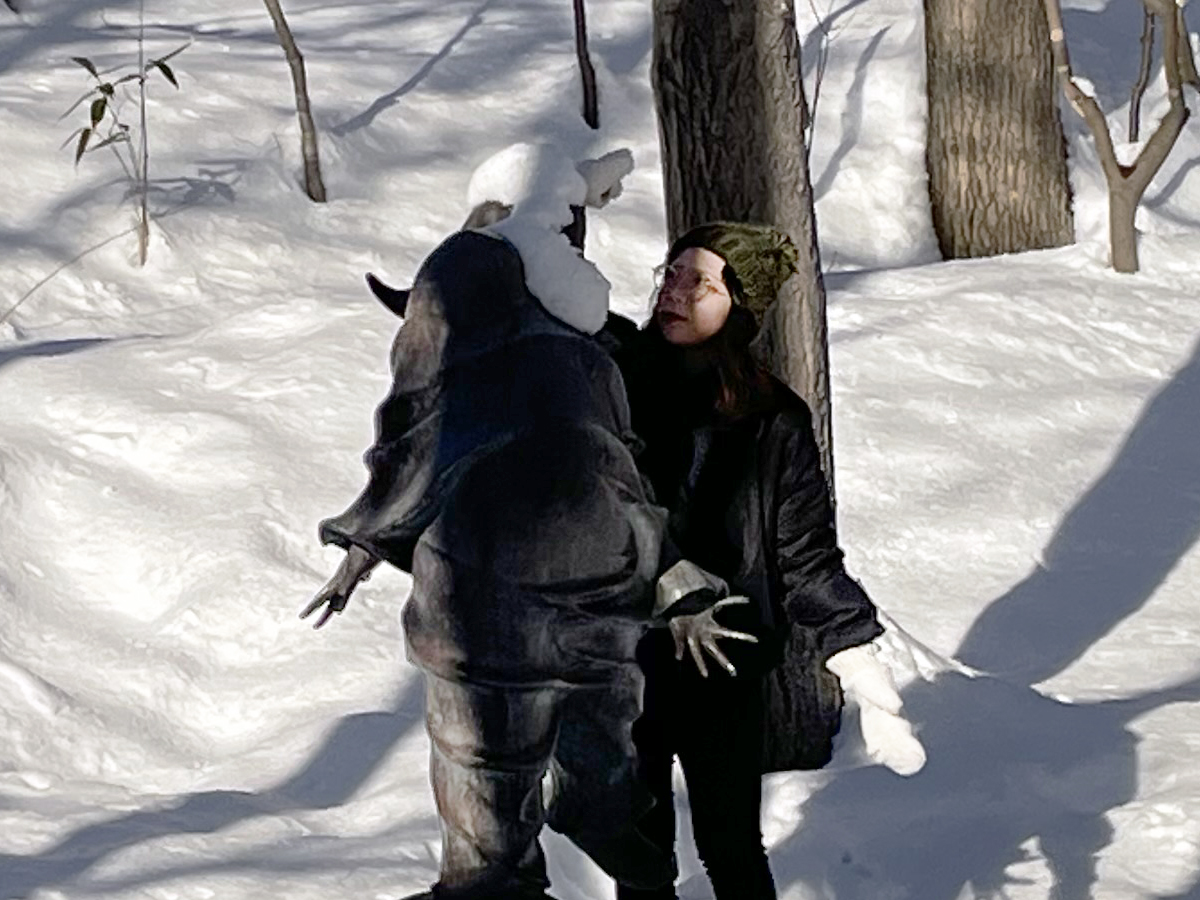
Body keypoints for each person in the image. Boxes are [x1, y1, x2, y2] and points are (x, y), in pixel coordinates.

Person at [302, 226, 750, 900]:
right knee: (519, 777)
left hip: (539, 601)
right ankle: (535, 873)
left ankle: (576, 847)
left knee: (538, 765)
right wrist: (362, 547)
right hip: (519, 605)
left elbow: (419, 457)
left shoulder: (539, 364)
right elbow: (618, 476)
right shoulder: (559, 361)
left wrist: (676, 582)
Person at [612, 222, 926, 900]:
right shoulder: (613, 379)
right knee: (639, 850)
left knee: (730, 845)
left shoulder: (772, 419)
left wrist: (853, 649)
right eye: (672, 273)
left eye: (703, 281)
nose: (676, 291)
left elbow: (804, 554)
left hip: (720, 662)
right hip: (619, 653)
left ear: (739, 307)